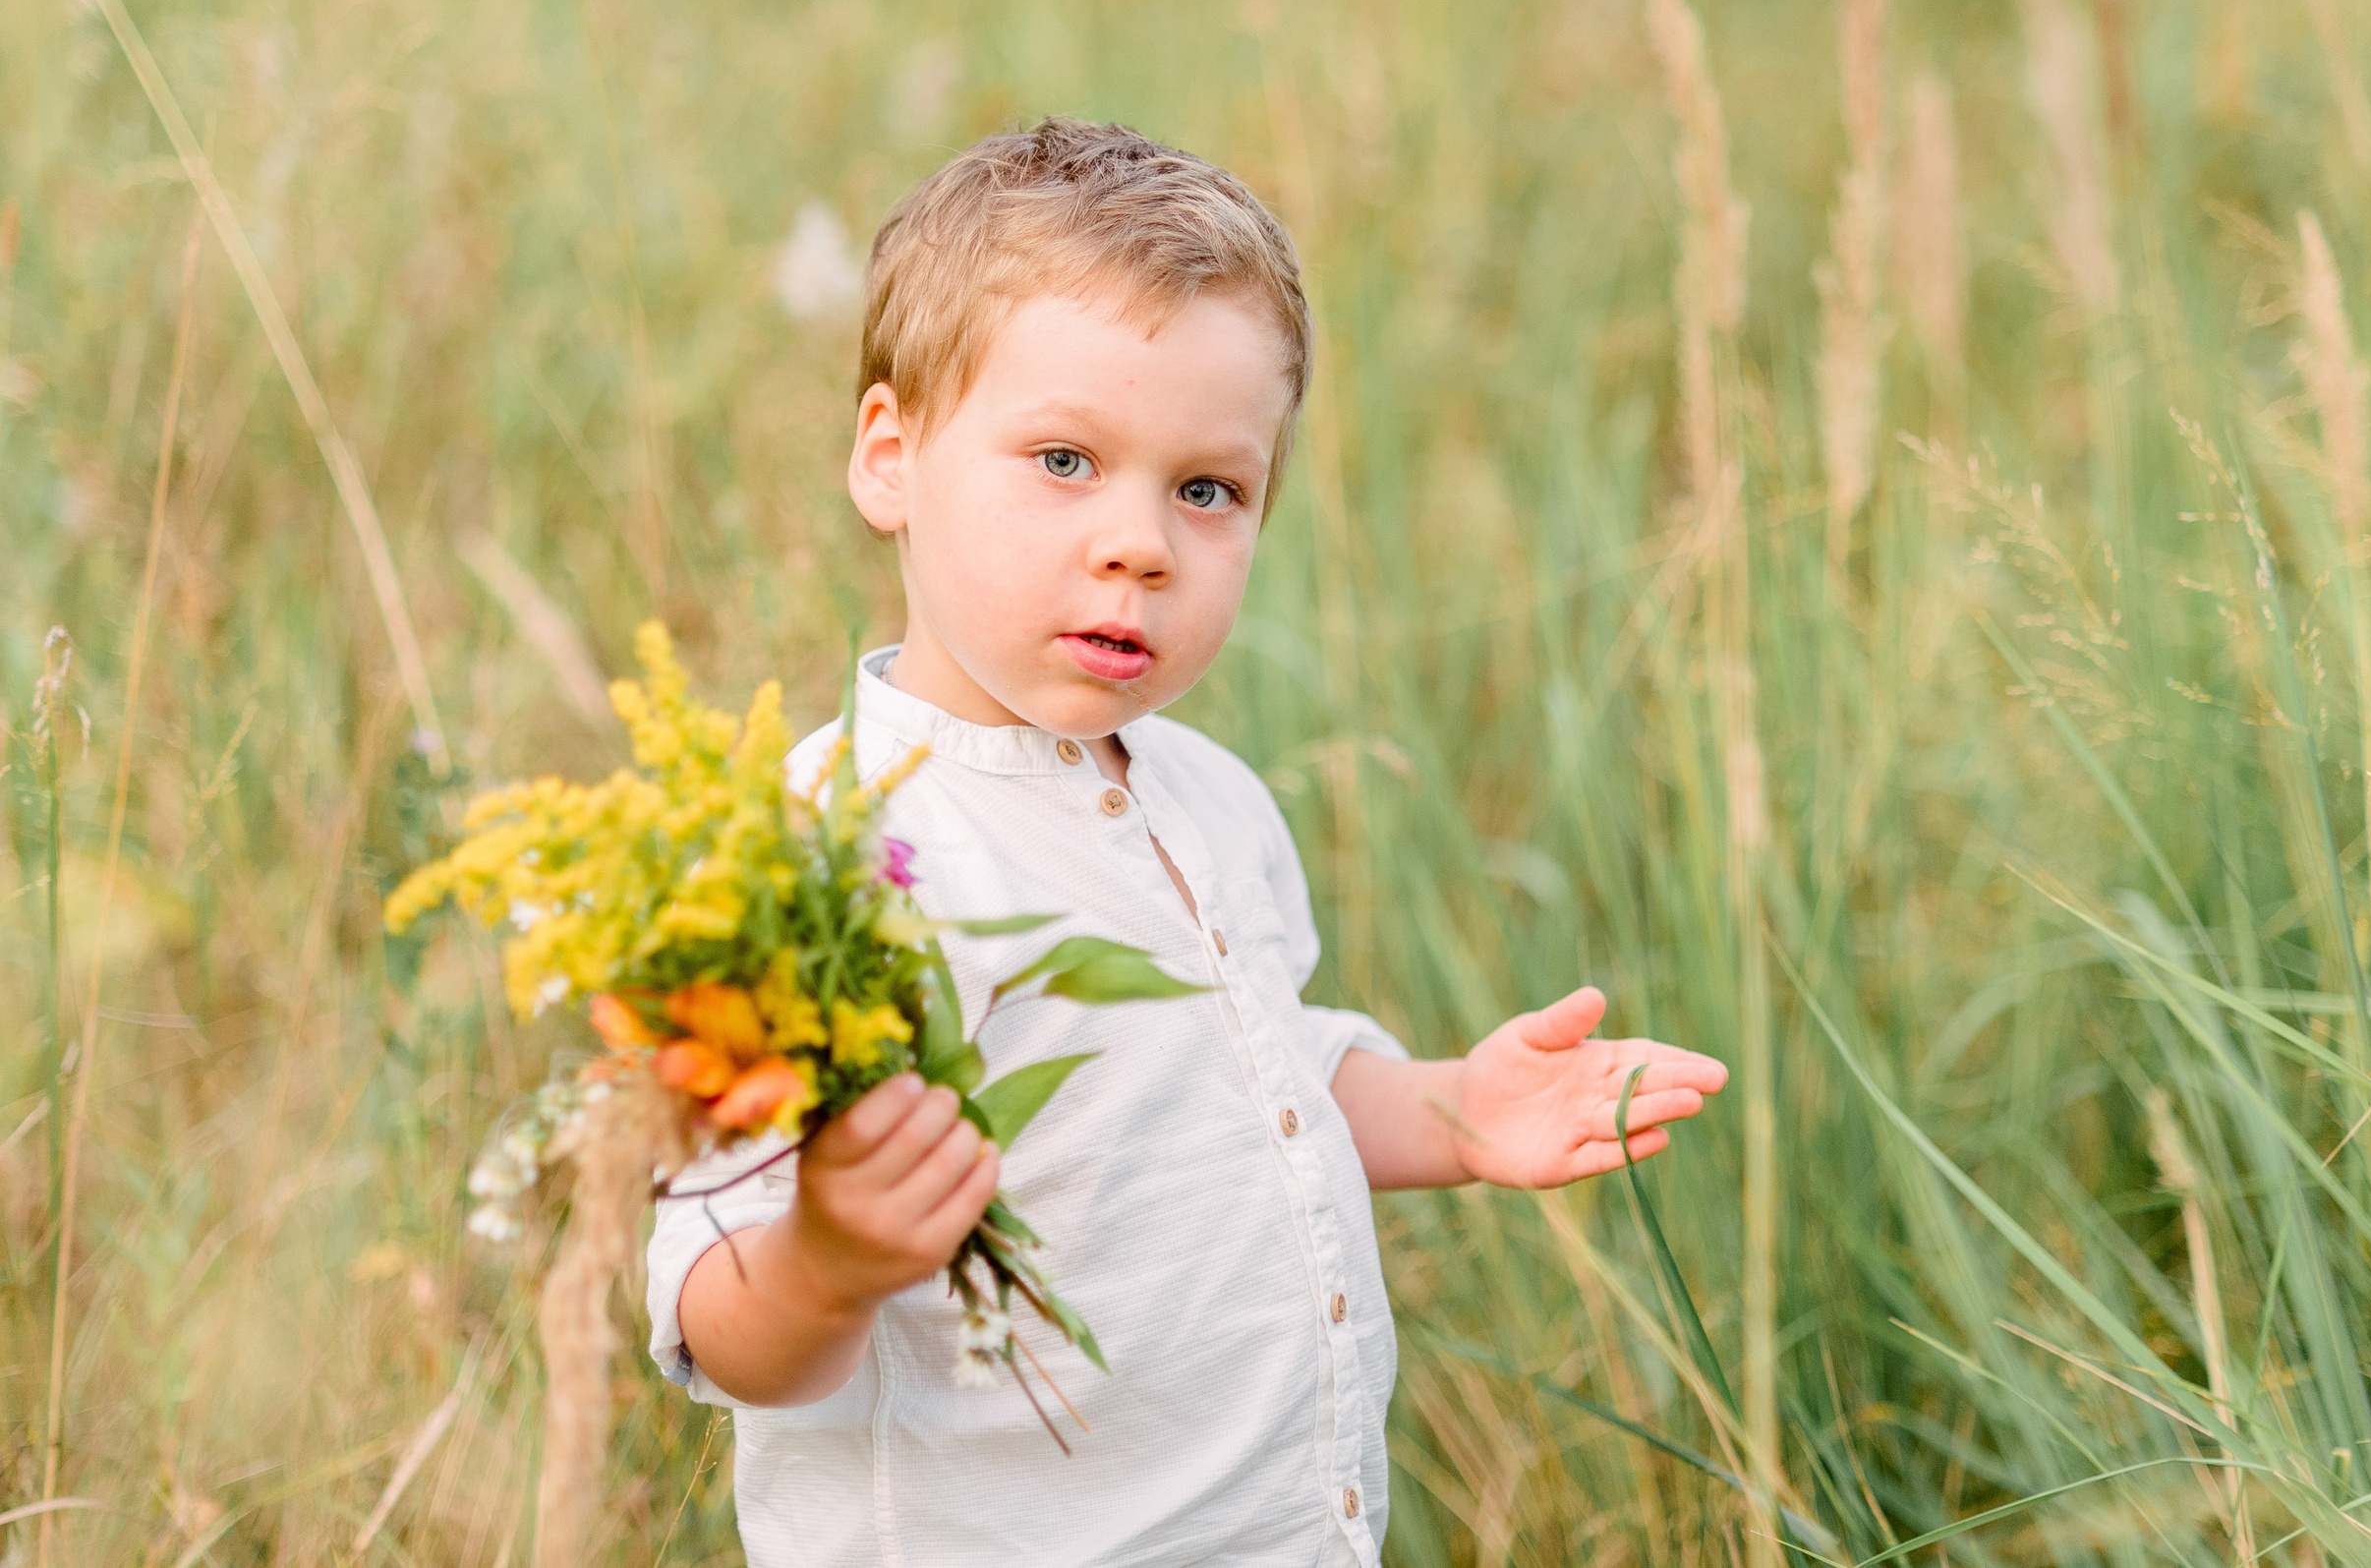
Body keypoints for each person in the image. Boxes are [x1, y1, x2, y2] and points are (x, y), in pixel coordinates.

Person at [647, 117, 1728, 1566]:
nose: (1140, 541)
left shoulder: (1209, 797)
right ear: (891, 457)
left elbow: (1258, 1071)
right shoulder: (818, 861)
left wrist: (1458, 1108)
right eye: (1065, 459)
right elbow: (720, 1324)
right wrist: (825, 1262)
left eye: (1206, 488)